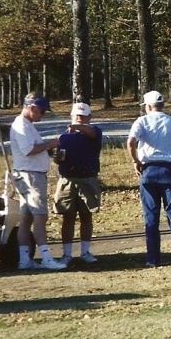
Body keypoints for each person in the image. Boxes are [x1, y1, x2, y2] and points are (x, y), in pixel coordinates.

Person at [127, 90, 171, 267]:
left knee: (150, 217)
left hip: (148, 170)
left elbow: (130, 142)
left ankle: (153, 259)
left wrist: (136, 161)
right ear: (162, 105)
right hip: (169, 170)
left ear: (148, 106)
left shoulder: (141, 121)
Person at [9, 93, 66, 270]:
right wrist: (52, 143)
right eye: (41, 111)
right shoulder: (22, 125)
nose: (42, 115)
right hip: (30, 175)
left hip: (27, 173)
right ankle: (46, 257)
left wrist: (47, 150)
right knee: (40, 216)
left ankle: (24, 259)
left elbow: (34, 148)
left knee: (26, 217)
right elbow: (28, 150)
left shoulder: (28, 125)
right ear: (32, 108)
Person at [53, 101, 102, 265]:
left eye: (83, 116)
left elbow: (91, 133)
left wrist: (77, 127)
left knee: (87, 216)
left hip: (88, 179)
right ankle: (67, 254)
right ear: (71, 116)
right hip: (67, 180)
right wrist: (57, 158)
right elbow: (59, 158)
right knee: (68, 217)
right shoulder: (64, 137)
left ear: (89, 117)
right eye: (77, 115)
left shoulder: (94, 132)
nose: (79, 118)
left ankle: (85, 252)